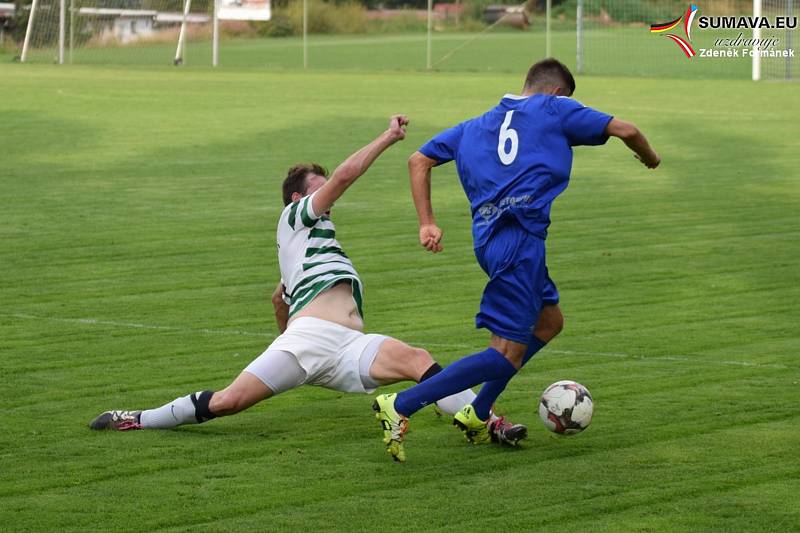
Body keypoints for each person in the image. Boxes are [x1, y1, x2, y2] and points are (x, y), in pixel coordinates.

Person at [89, 115, 524, 449]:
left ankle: (485, 423)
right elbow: (344, 177)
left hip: (348, 344)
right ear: (299, 199)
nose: (328, 196)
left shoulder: (307, 244)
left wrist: (287, 317)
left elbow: (279, 299)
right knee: (228, 402)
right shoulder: (294, 217)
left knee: (417, 359)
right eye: (319, 190)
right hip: (310, 341)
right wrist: (388, 138)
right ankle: (138, 417)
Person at [373, 59, 661, 462]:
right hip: (517, 243)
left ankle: (477, 410)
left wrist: (428, 223)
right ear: (558, 93)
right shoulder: (555, 108)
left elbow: (417, 160)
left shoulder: (473, 126)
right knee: (503, 352)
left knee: (549, 322)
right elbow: (626, 130)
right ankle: (401, 404)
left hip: (494, 240)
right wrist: (650, 157)